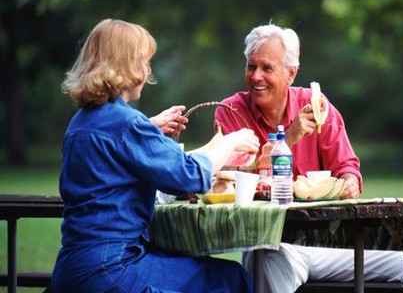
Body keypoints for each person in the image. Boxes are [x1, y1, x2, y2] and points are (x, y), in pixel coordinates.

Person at [214, 22, 403, 292]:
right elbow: (231, 178)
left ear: (291, 74)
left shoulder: (319, 109)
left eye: (267, 68)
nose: (256, 76)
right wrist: (290, 137)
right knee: (267, 264)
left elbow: (348, 171)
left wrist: (348, 183)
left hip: (327, 247)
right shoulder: (231, 112)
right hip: (273, 244)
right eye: (252, 67)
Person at [51, 18, 259, 293]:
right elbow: (189, 176)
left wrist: (147, 129)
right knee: (230, 278)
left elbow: (111, 156)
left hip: (71, 270)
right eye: (144, 61)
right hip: (112, 270)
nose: (148, 70)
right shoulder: (127, 124)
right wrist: (231, 141)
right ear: (127, 66)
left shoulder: (79, 123)